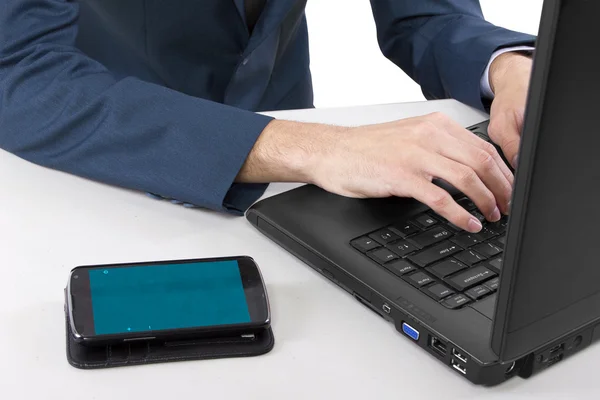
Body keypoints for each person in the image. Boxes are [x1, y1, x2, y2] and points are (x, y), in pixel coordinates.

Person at [0, 0, 535, 233]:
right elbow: (18, 73)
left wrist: (507, 69)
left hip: (298, 187)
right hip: (105, 172)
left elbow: (425, 13)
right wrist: (318, 147)